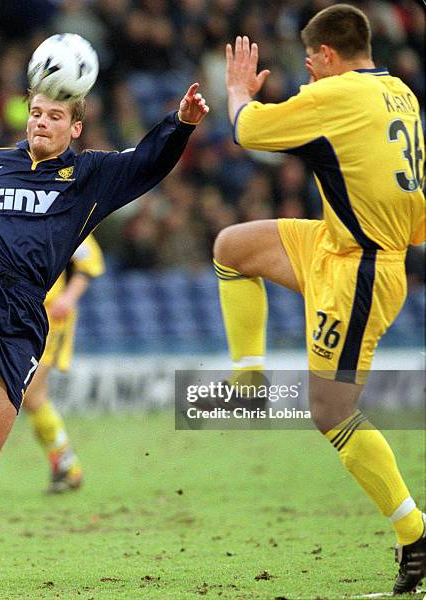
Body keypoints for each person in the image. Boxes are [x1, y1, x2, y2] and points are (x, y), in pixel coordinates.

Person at [0, 83, 209, 584]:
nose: (40, 122)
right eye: (36, 113)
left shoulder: (90, 175)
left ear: (76, 128)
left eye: (53, 117)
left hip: (24, 316)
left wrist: (182, 123)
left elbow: (148, 163)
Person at [214, 4, 424, 595]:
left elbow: (247, 130)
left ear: (329, 55)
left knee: (330, 412)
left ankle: (415, 532)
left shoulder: (338, 96)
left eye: (309, 63)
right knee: (232, 246)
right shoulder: (399, 92)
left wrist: (238, 91)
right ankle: (248, 380)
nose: (307, 76)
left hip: (360, 269)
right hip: (336, 243)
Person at [21, 234, 105, 493]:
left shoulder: (63, 215)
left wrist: (69, 297)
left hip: (50, 317)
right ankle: (67, 466)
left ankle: (67, 464)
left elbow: (89, 261)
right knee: (34, 400)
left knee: (28, 392)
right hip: (21, 315)